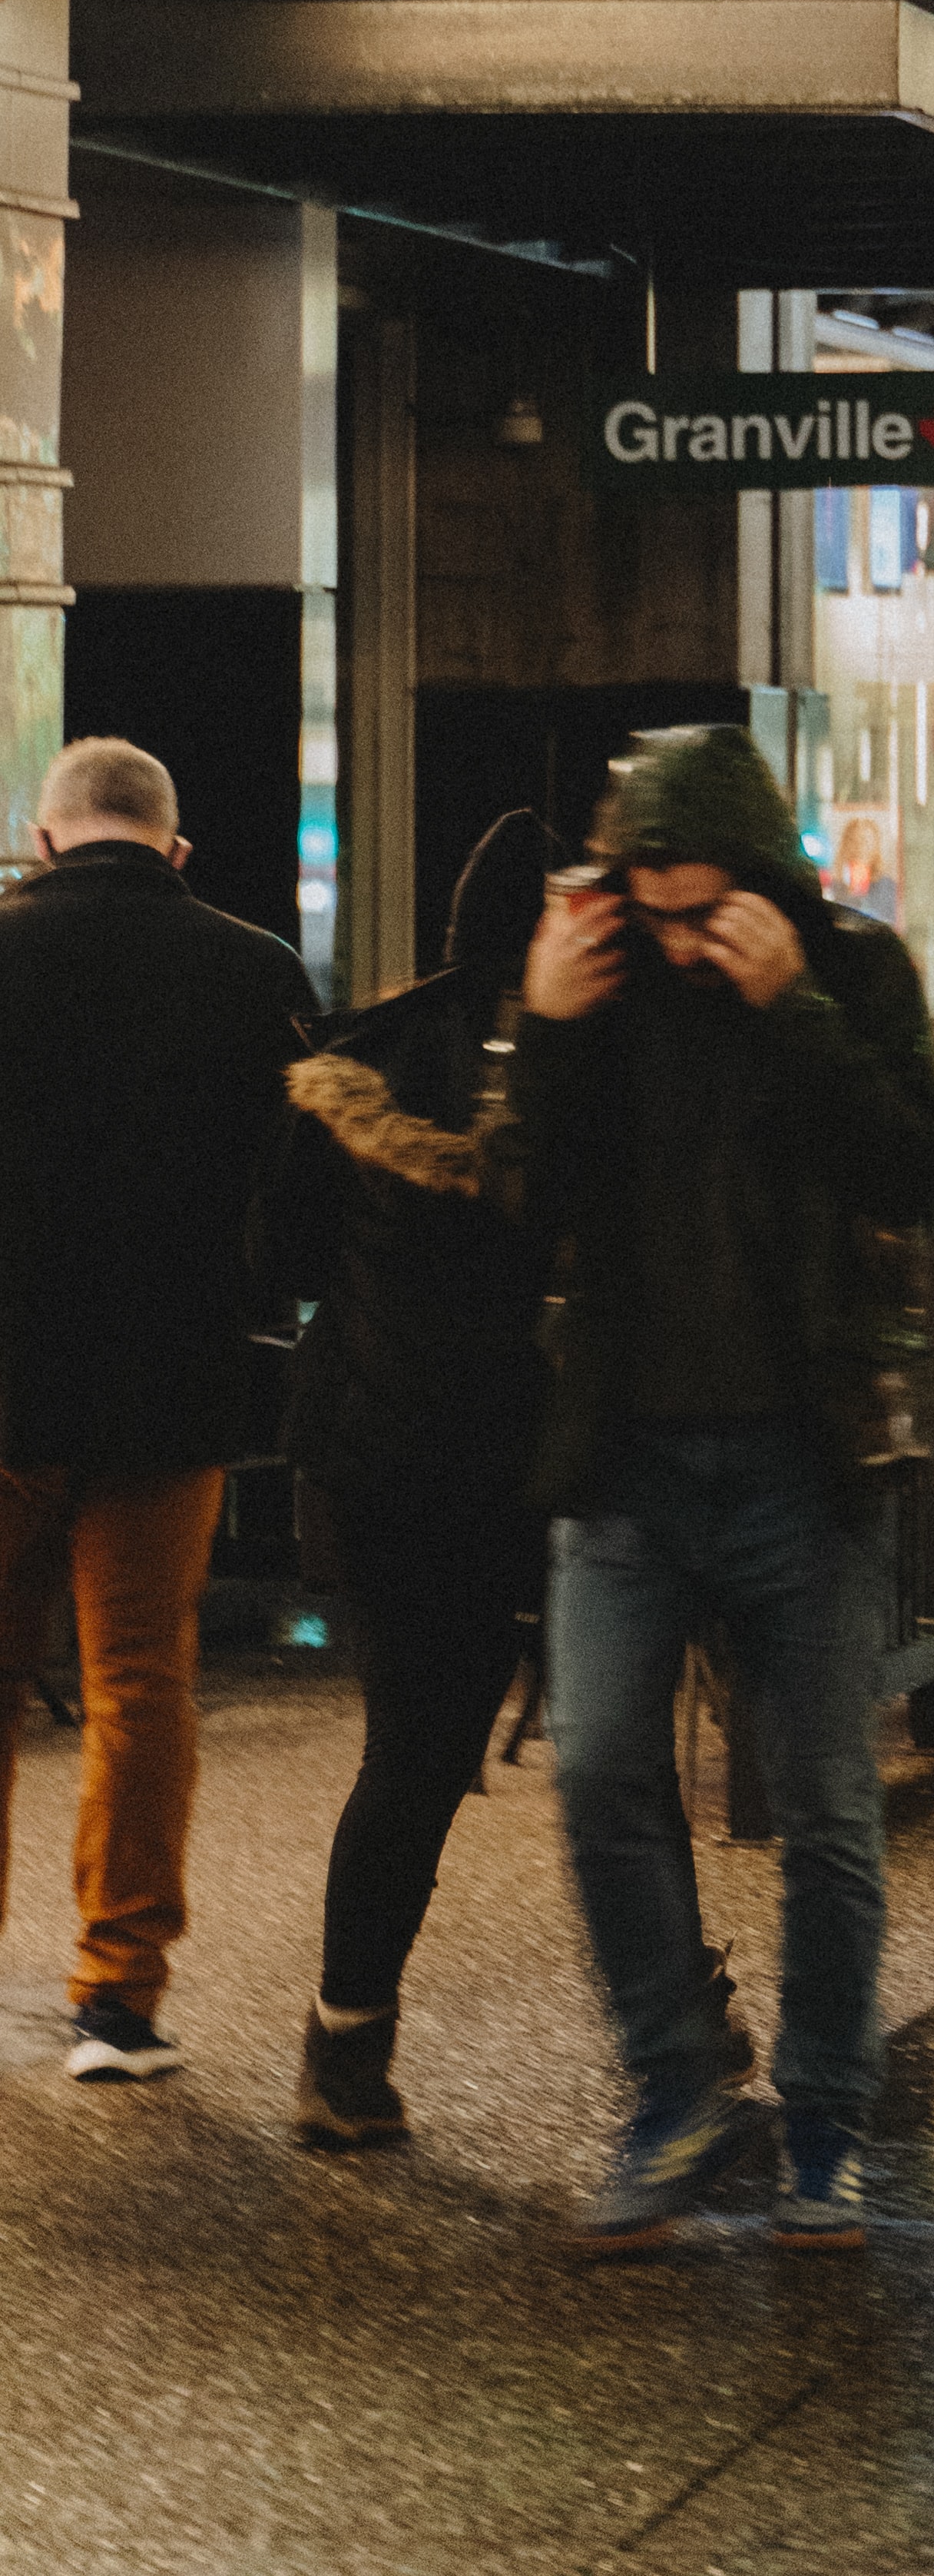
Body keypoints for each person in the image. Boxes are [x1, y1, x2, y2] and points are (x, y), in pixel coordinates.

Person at [515, 723, 934, 2251]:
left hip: (798, 1456)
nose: (681, 939)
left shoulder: (852, 971)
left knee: (829, 1807)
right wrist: (548, 1025)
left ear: (760, 881)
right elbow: (521, 1202)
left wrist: (793, 1009)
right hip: (625, 1457)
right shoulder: (599, 981)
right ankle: (676, 2088)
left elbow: (911, 1169)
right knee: (597, 1771)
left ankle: (826, 2124)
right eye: (655, 910)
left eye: (706, 910)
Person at [0, 739, 316, 2082]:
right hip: (171, 1388)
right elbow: (299, 1209)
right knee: (142, 1685)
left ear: (43, 835)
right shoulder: (258, 971)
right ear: (174, 849)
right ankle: (116, 2000)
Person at [270, 812, 555, 2149]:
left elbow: (282, 1259)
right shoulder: (583, 1071)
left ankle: (347, 2047)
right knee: (611, 1760)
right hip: (532, 1462)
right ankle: (693, 2041)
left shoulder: (356, 1061)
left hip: (375, 1457)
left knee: (414, 1751)